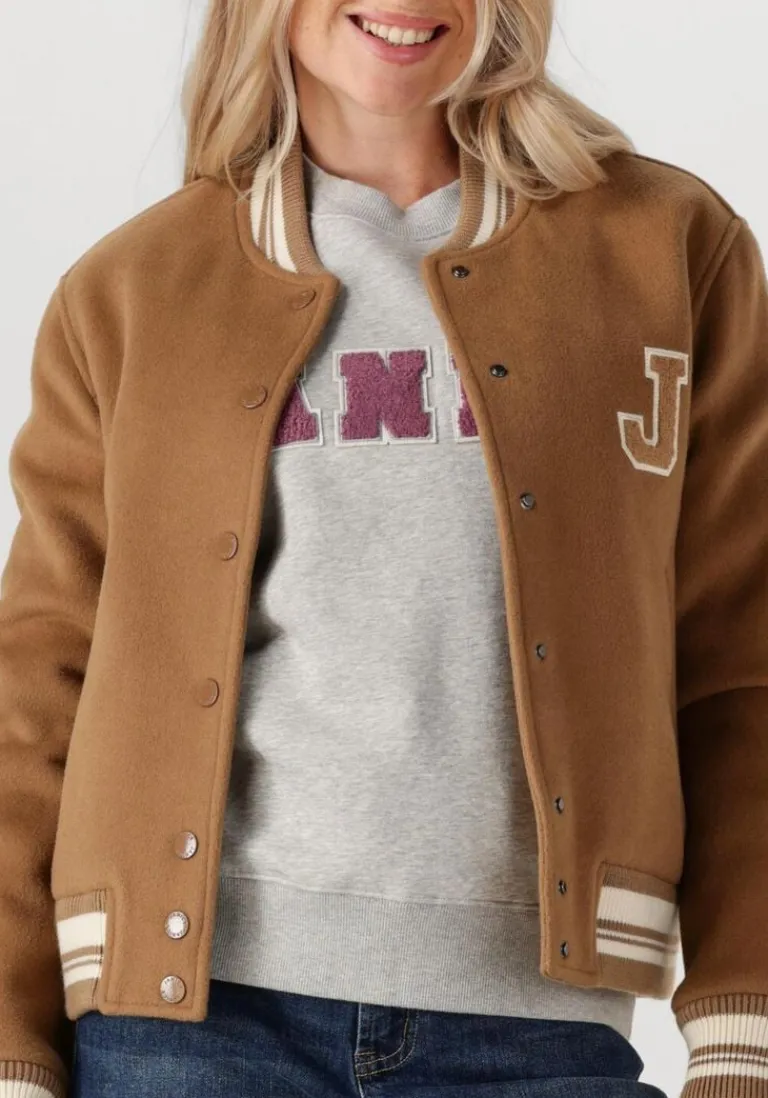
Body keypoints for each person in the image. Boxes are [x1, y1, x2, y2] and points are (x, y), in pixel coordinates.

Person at [0, 1, 766, 1096]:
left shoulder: (668, 252)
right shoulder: (132, 291)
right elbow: (39, 686)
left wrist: (744, 1026)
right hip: (189, 1027)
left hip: (537, 1035)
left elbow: (739, 666)